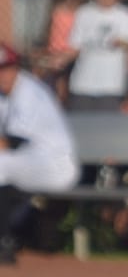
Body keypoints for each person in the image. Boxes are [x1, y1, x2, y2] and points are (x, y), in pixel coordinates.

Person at [0, 44, 81, 264]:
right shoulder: (5, 95)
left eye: (6, 68)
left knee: (1, 165)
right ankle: (8, 239)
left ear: (16, 68)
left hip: (56, 165)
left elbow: (13, 141)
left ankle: (4, 243)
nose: (3, 75)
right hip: (31, 162)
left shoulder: (28, 92)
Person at [65, 0, 128, 111]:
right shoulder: (84, 13)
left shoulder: (125, 15)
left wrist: (124, 44)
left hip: (111, 85)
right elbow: (75, 46)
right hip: (83, 84)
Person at [32, 0, 84, 98]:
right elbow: (49, 34)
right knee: (44, 74)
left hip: (70, 52)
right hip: (55, 51)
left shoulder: (78, 13)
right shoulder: (55, 11)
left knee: (63, 81)